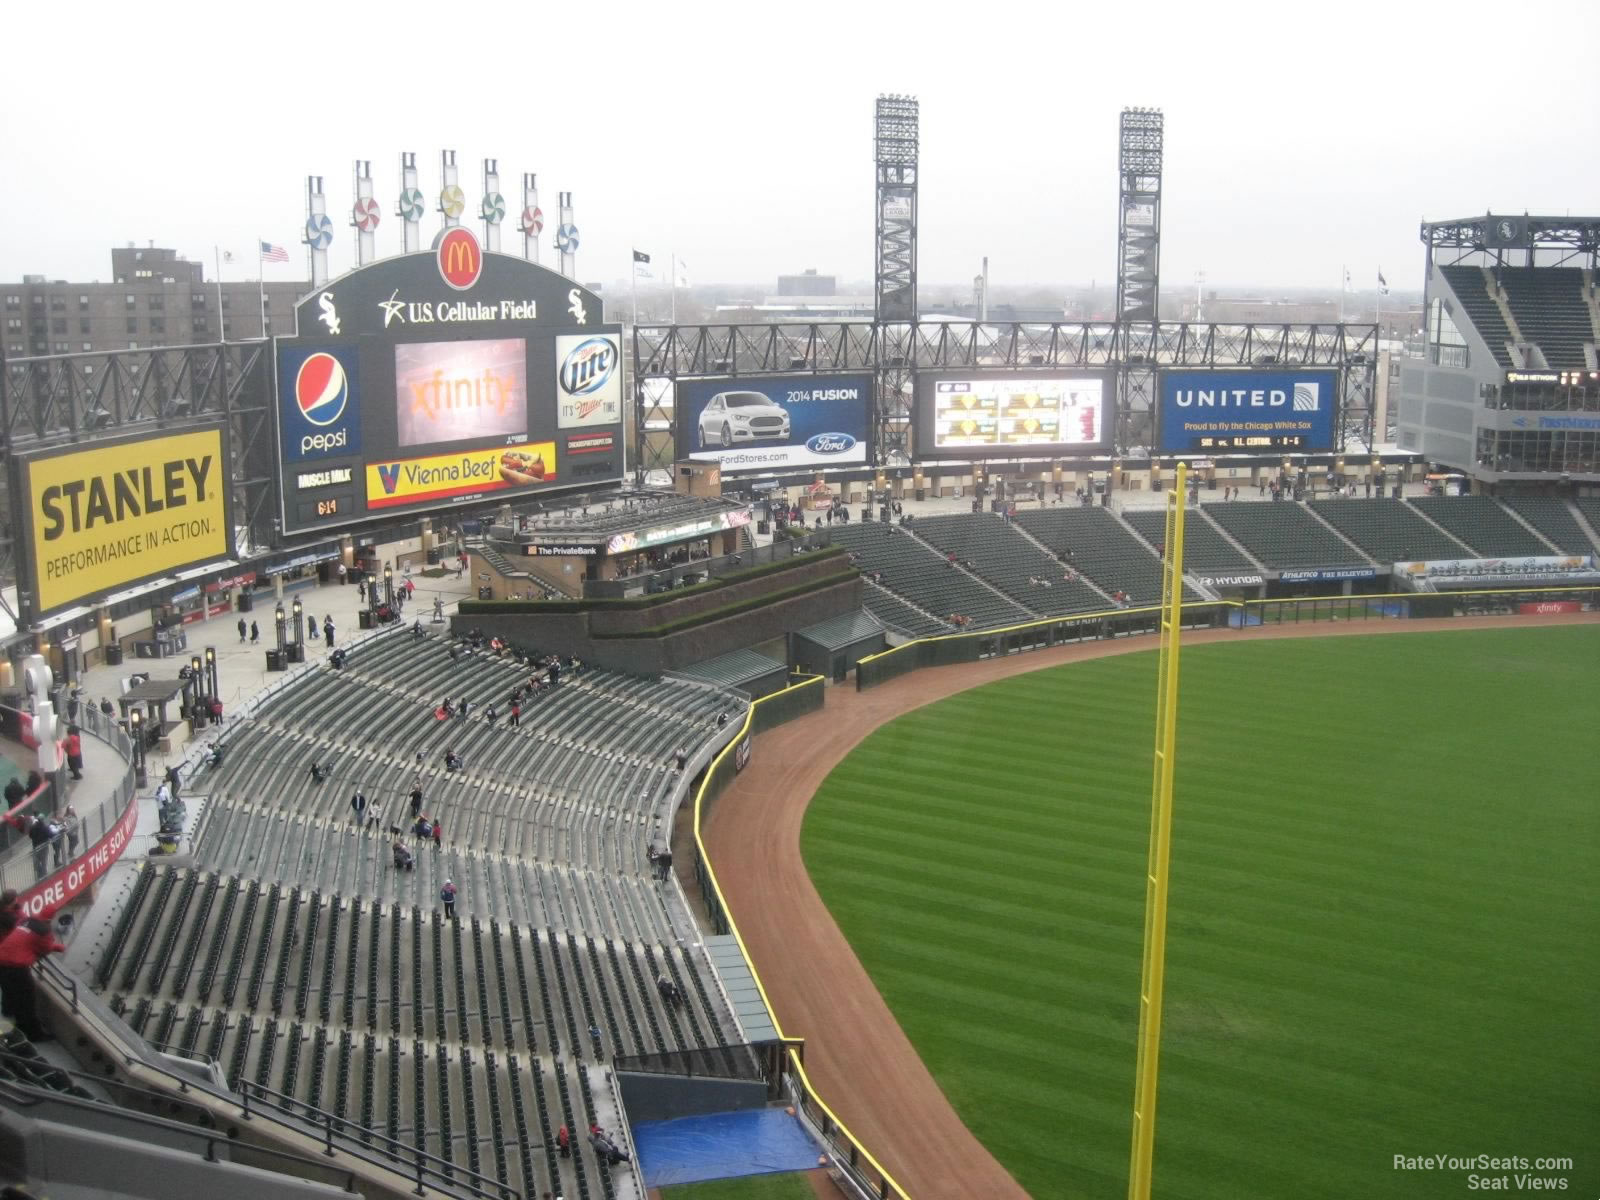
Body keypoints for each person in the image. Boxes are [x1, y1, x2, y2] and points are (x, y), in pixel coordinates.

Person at [0, 914, 66, 1041]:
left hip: (1, 960)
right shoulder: (44, 931)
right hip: (16, 968)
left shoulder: (24, 921)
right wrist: (59, 947)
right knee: (27, 1002)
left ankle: (7, 1011)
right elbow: (45, 949)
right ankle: (33, 1034)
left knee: (8, 990)